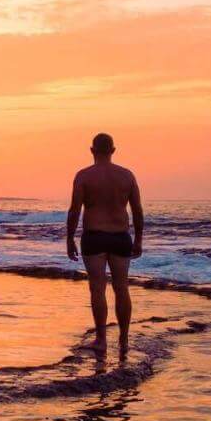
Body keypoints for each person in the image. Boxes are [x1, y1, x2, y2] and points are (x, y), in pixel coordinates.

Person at [65, 133, 144, 356]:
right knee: (122, 288)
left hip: (94, 237)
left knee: (97, 288)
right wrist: (138, 238)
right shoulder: (127, 176)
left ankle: (101, 340)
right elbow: (137, 211)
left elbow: (74, 210)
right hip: (120, 237)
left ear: (92, 150)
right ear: (113, 150)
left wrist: (69, 238)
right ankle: (124, 340)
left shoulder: (84, 176)